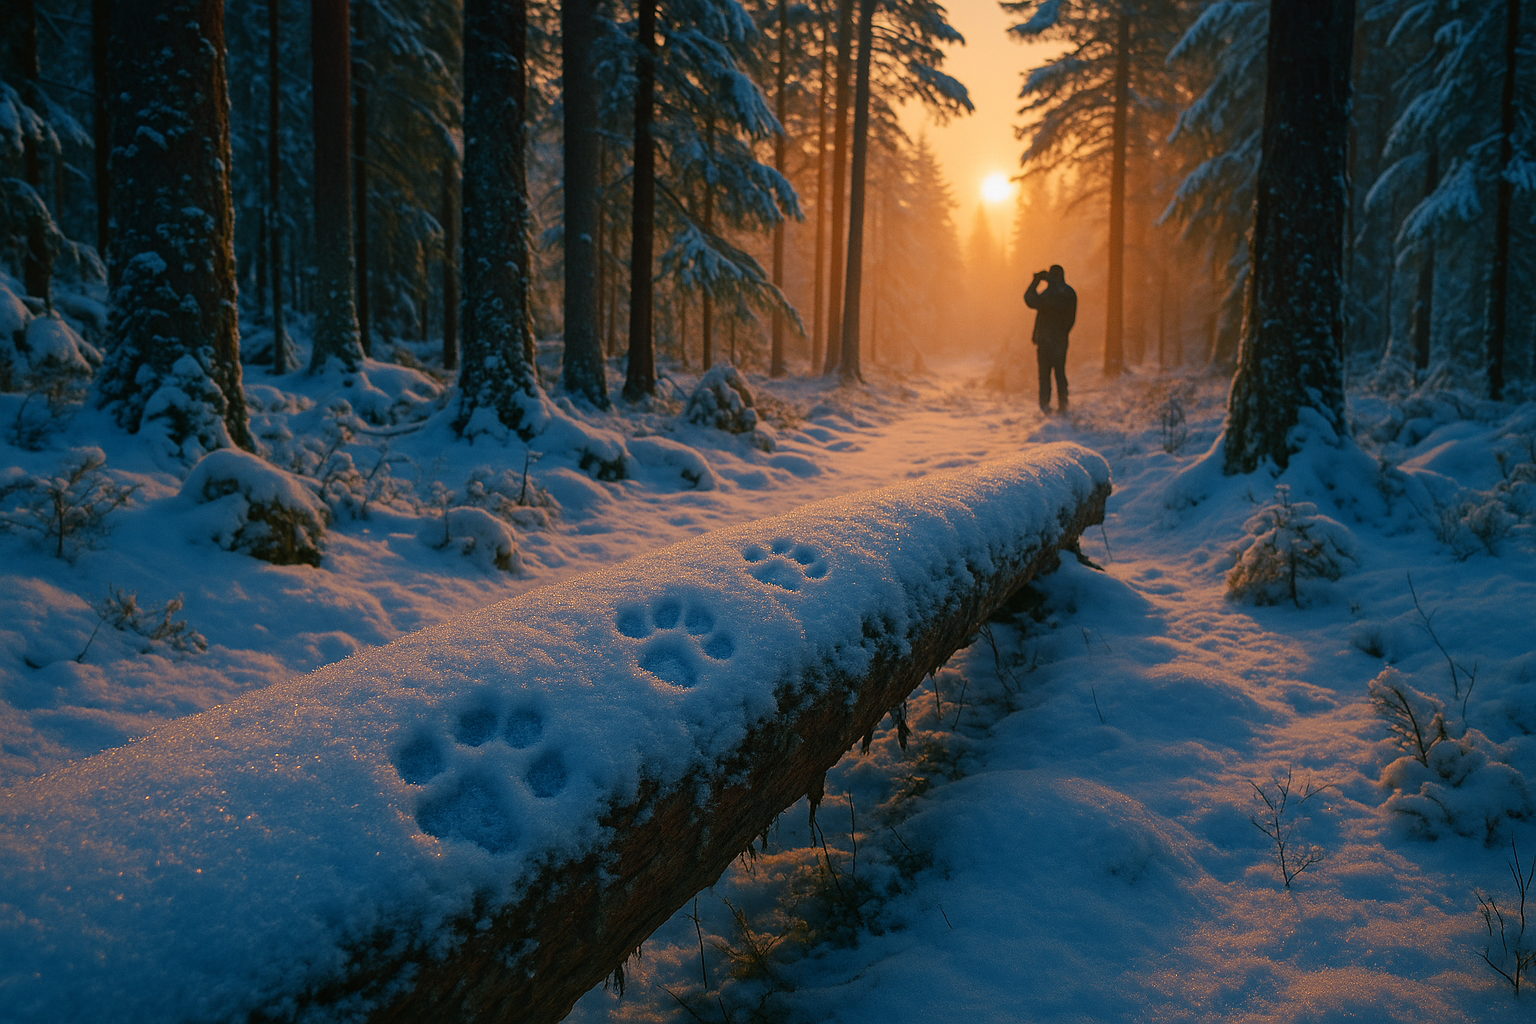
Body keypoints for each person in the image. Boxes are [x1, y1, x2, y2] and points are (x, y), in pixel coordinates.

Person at [1024, 264, 1077, 414]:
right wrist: (1063, 333)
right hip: (1060, 341)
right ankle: (1063, 406)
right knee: (1060, 373)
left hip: (1045, 341)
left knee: (1044, 375)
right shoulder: (1069, 293)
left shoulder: (1049, 295)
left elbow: (1029, 299)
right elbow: (1071, 319)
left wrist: (1036, 281)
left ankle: (1045, 407)